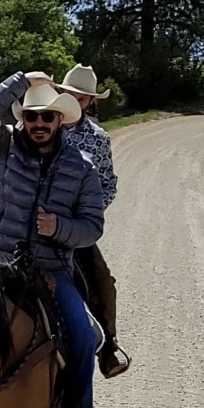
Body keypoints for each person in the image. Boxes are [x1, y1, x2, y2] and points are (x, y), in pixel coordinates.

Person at [0, 70, 106, 408]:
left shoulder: (82, 168)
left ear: (61, 119)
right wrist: (20, 80)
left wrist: (58, 230)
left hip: (49, 268)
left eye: (48, 117)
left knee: (81, 335)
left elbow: (93, 226)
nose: (40, 124)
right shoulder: (3, 145)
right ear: (23, 119)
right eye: (32, 117)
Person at [57, 64, 131, 379]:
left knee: (103, 280)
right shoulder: (44, 122)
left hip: (76, 228)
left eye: (83, 97)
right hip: (34, 221)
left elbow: (108, 185)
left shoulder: (98, 139)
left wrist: (85, 215)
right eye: (72, 94)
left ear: (90, 102)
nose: (77, 100)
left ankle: (109, 345)